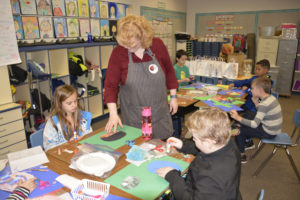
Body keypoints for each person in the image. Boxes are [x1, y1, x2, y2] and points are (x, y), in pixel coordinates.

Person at [104, 15, 178, 139]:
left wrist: (174, 96)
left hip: (159, 112)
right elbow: (110, 85)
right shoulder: (119, 53)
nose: (127, 47)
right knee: (140, 148)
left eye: (131, 43)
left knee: (161, 148)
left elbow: (170, 72)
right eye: (124, 43)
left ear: (142, 37)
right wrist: (113, 112)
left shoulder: (157, 45)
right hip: (134, 116)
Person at [156, 107, 242, 199]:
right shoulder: (226, 143)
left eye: (194, 138)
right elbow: (206, 148)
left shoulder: (210, 177)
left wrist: (172, 176)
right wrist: (182, 145)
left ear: (208, 142)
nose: (193, 139)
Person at [230, 77, 282, 163]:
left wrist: (237, 117)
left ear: (260, 90)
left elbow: (255, 124)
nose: (251, 90)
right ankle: (237, 127)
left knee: (239, 131)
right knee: (250, 113)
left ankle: (241, 155)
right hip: (270, 126)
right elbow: (262, 113)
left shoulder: (264, 104)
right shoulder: (270, 98)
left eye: (252, 89)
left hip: (269, 132)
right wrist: (256, 102)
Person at [229, 59, 272, 149]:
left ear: (266, 70)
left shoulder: (266, 83)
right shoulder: (254, 78)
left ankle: (247, 141)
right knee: (230, 110)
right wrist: (234, 83)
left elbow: (259, 95)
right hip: (248, 105)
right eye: (256, 69)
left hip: (254, 109)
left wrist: (247, 90)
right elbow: (245, 81)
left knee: (240, 122)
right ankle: (236, 134)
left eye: (258, 69)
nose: (256, 71)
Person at [43, 85, 93, 151]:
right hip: (63, 157)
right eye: (69, 103)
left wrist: (82, 139)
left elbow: (90, 136)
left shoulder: (83, 117)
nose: (74, 105)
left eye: (75, 101)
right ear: (60, 104)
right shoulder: (53, 122)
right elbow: (48, 147)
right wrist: (68, 144)